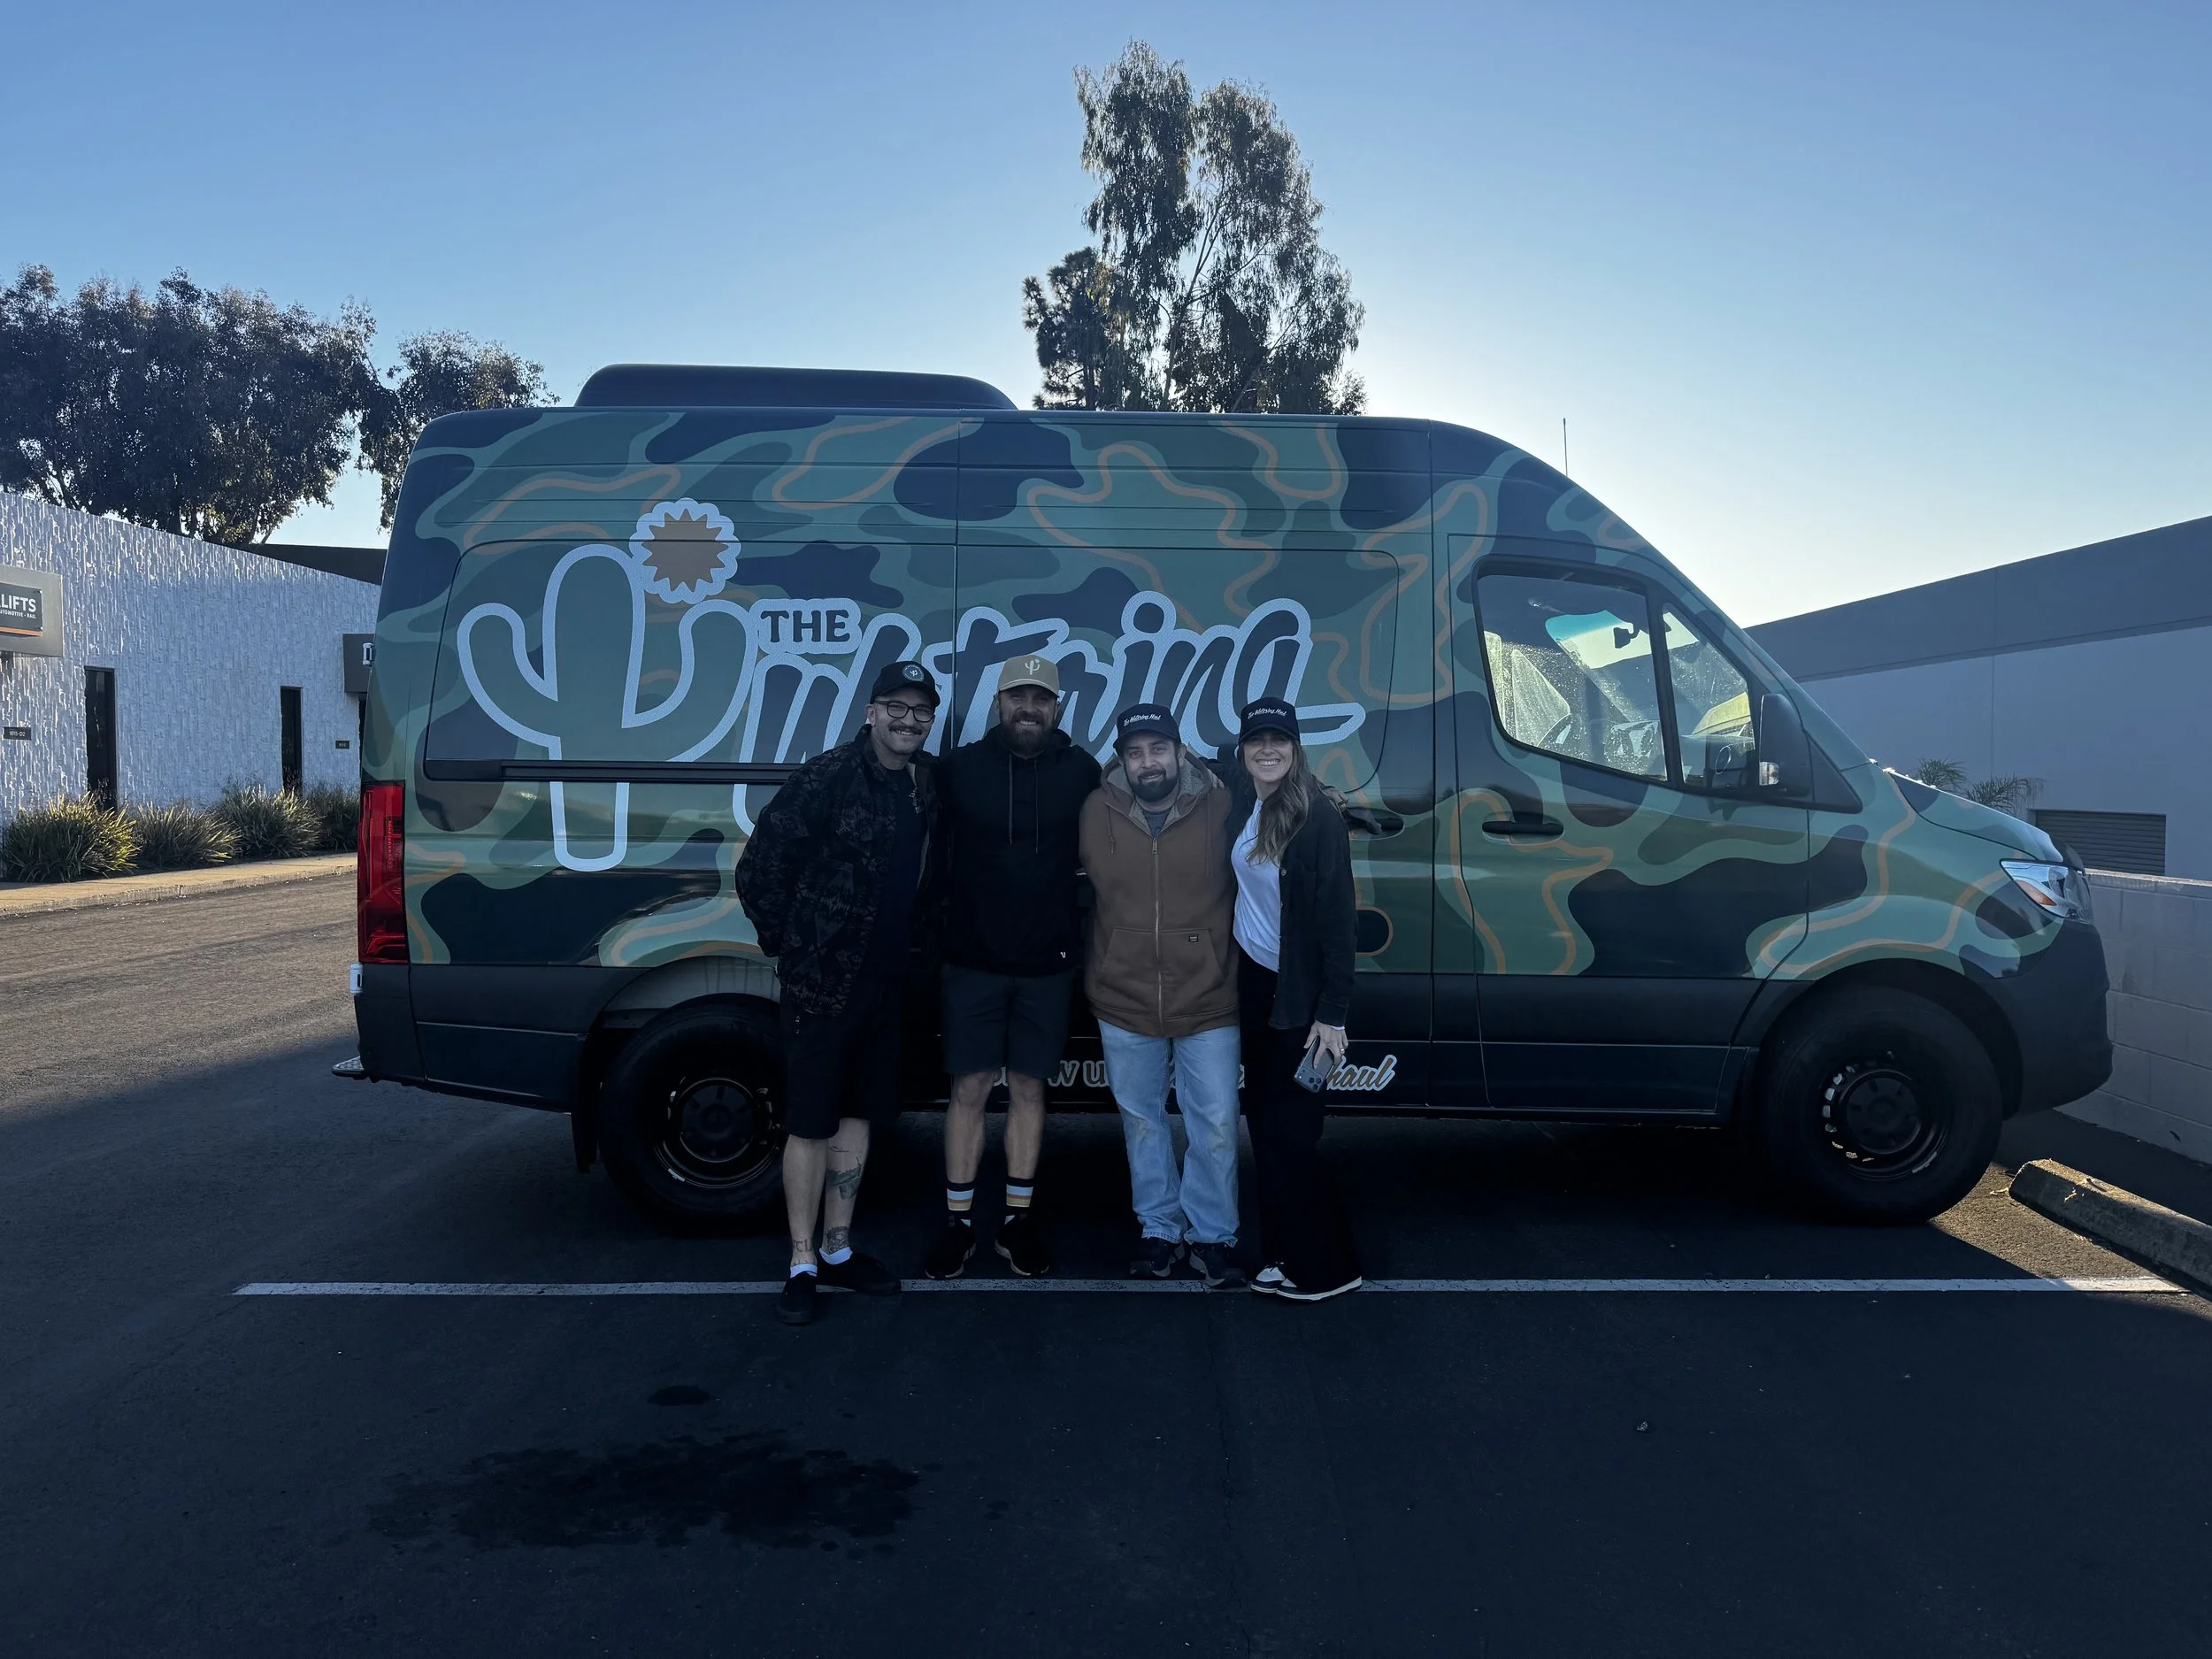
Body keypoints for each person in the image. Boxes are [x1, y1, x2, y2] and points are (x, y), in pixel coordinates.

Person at [733, 659, 941, 1325]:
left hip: (887, 983)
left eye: (920, 711)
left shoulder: (925, 784)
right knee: (811, 1120)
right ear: (872, 711)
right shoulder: (827, 775)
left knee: (858, 1115)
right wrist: (793, 946)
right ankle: (801, 1260)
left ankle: (839, 1246)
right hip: (823, 984)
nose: (908, 720)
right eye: (896, 707)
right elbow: (760, 865)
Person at [926, 654, 1101, 1279]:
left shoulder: (1083, 771)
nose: (1030, 708)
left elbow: (1152, 800)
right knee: (969, 1089)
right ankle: (958, 1223)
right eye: (1017, 696)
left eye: (1042, 699)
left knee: (1029, 1089)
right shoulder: (957, 770)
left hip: (1047, 964)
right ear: (997, 702)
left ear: (1058, 708)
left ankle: (1017, 1222)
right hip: (971, 961)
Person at [1079, 703, 1244, 1286]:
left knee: (1216, 1121)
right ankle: (1158, 1227)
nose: (1148, 761)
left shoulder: (1222, 803)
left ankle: (1213, 1233)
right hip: (1123, 994)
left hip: (1208, 992)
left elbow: (1286, 793)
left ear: (1180, 752)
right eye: (1135, 751)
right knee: (1143, 1121)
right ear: (1122, 760)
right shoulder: (1096, 810)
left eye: (1158, 748)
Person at [1225, 697, 1363, 1301]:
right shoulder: (1248, 802)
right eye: (1257, 739)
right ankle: (1281, 1253)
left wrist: (1332, 1015)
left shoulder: (1317, 818)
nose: (1268, 748)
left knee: (1295, 1134)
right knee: (1263, 1125)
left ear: (1296, 747)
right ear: (1243, 751)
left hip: (1301, 1001)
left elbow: (1339, 925)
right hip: (1257, 990)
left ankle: (1329, 1267)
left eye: (1279, 739)